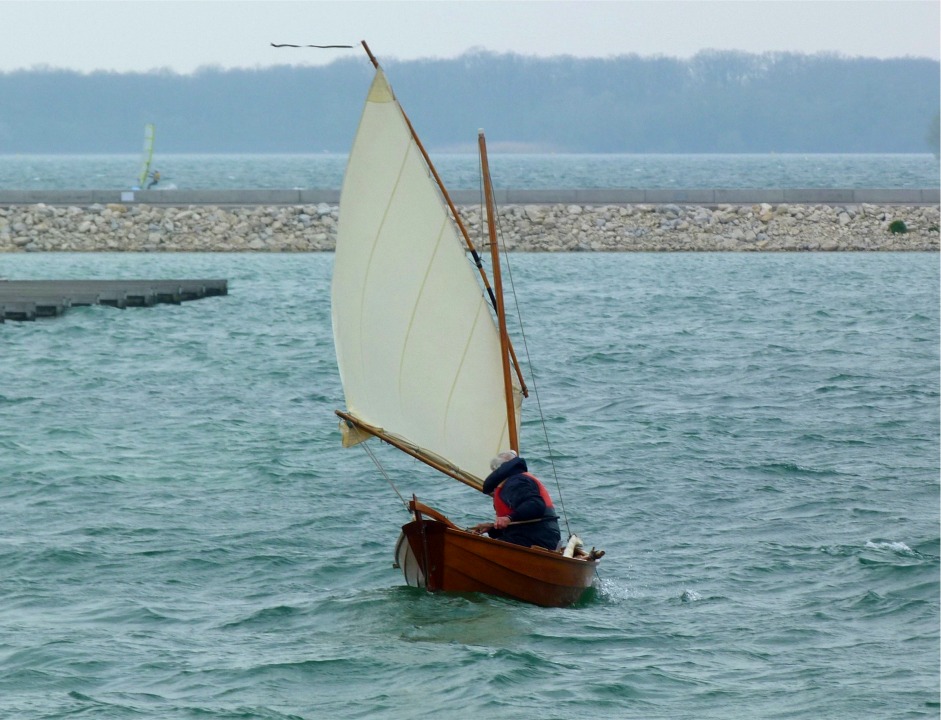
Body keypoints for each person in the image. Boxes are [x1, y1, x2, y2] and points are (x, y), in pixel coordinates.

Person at [471, 450, 562, 551]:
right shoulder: (516, 480)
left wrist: (509, 518)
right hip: (540, 536)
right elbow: (519, 522)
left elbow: (536, 504)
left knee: (483, 549)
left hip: (538, 539)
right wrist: (492, 529)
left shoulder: (515, 482)